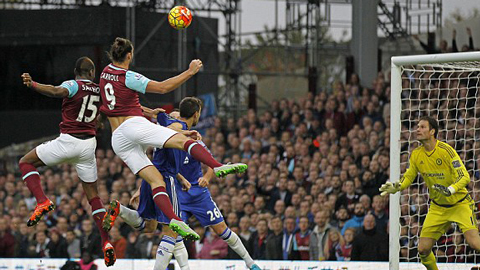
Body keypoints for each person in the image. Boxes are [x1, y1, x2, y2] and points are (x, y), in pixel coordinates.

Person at [99, 37, 247, 239]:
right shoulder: (128, 76)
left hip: (118, 138)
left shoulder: (105, 73)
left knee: (154, 181)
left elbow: (117, 103)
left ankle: (171, 220)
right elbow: (163, 87)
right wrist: (190, 71)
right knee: (180, 142)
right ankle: (217, 165)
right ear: (129, 55)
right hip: (132, 126)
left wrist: (146, 111)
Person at [104, 97, 260, 270]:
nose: (175, 118)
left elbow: (154, 120)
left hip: (190, 190)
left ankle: (250, 263)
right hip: (172, 188)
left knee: (150, 225)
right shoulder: (180, 135)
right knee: (172, 234)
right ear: (195, 114)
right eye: (173, 116)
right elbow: (171, 136)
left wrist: (204, 177)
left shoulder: (176, 131)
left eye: (177, 116)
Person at [19, 57, 116, 266]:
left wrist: (34, 84)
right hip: (88, 146)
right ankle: (106, 241)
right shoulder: (99, 90)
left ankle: (42, 201)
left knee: (25, 163)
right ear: (92, 73)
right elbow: (103, 115)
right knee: (94, 197)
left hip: (68, 141)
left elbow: (56, 91)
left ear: (75, 72)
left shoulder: (73, 85)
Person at [380, 116, 480, 270]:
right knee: (423, 249)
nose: (417, 129)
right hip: (438, 208)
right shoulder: (416, 154)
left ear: (432, 131)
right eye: (417, 126)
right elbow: (409, 176)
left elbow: (464, 176)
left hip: (460, 205)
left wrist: (450, 189)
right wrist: (398, 186)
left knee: (475, 243)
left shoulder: (446, 150)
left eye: (422, 127)